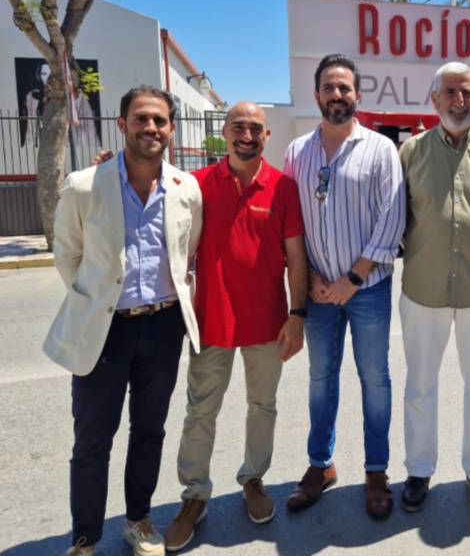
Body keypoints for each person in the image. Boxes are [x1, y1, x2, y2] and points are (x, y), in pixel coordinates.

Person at [44, 86, 203, 556]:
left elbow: (188, 252)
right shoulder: (83, 185)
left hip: (164, 327)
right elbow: (67, 255)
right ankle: (85, 538)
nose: (150, 128)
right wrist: (99, 301)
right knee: (92, 440)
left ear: (171, 128)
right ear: (122, 124)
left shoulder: (186, 189)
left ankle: (138, 520)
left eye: (159, 120)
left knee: (149, 432)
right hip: (105, 328)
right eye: (140, 119)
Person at [161, 102, 308, 549]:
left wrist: (297, 315)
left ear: (267, 136)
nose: (247, 135)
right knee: (200, 411)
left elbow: (296, 256)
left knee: (262, 405)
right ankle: (194, 496)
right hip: (211, 321)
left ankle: (253, 479)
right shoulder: (196, 184)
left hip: (268, 322)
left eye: (256, 129)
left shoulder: (283, 187)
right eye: (238, 127)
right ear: (224, 132)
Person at [283, 54, 406, 519]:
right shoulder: (297, 152)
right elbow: (290, 222)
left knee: (375, 379)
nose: (337, 95)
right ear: (317, 94)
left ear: (357, 94)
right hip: (317, 293)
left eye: (345, 87)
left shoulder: (381, 149)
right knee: (320, 379)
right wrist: (312, 278)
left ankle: (376, 470)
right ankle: (321, 465)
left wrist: (352, 278)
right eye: (329, 87)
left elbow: (392, 219)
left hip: (367, 288)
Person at [398, 62, 470, 515]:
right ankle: (419, 470)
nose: (458, 100)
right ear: (434, 99)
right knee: (420, 385)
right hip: (422, 289)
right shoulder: (411, 151)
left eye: (466, 91)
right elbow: (401, 219)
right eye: (449, 92)